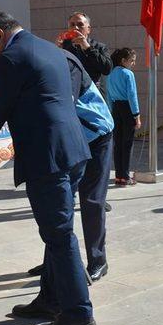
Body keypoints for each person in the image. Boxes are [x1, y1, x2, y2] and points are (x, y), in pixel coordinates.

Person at [0, 11, 96, 325]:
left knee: (59, 234)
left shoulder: (11, 58)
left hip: (46, 157)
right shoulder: (50, 49)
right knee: (58, 229)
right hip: (74, 150)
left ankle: (77, 311)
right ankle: (51, 298)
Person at [28, 50, 114, 282]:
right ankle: (57, 261)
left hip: (96, 136)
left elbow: (64, 104)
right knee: (60, 202)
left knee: (92, 200)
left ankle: (98, 260)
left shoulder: (68, 65)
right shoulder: (47, 67)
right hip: (74, 138)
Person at [58, 11, 115, 213]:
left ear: (88, 28)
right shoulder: (64, 47)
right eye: (72, 24)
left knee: (98, 156)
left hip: (93, 105)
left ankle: (98, 197)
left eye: (80, 25)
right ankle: (71, 196)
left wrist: (86, 47)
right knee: (75, 152)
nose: (75, 28)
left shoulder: (98, 47)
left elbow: (106, 68)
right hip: (71, 106)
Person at [105, 48, 141, 186]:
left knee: (118, 144)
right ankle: (125, 176)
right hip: (127, 109)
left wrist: (110, 110)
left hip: (115, 109)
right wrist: (136, 115)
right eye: (132, 60)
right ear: (123, 60)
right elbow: (132, 96)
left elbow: (108, 95)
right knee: (127, 144)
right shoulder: (128, 74)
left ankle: (119, 176)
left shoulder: (110, 74)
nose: (133, 63)